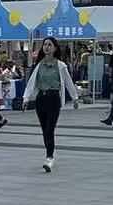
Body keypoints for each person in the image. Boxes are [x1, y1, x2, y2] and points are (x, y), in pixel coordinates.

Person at [23, 36, 77, 173]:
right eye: (45, 44)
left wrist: (75, 98)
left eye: (49, 45)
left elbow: (68, 81)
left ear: (55, 48)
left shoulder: (61, 65)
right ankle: (49, 153)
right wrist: (26, 98)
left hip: (54, 99)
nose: (46, 47)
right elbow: (31, 83)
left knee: (49, 129)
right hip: (41, 99)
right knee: (44, 129)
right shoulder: (39, 65)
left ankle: (49, 157)